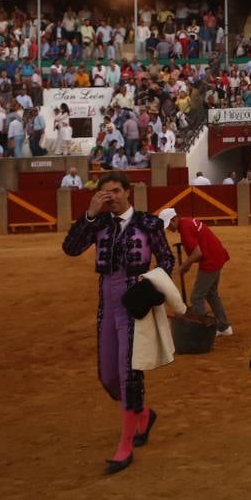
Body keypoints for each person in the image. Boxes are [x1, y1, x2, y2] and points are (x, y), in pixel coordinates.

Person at [61, 171, 176, 473]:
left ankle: (125, 446)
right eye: (104, 192)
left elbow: (166, 260)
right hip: (107, 301)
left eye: (114, 191)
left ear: (128, 192)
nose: (110, 196)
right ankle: (143, 414)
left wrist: (149, 287)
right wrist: (88, 213)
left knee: (127, 373)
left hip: (134, 301)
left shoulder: (149, 223)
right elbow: (70, 248)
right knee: (109, 376)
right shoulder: (98, 222)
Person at [159, 207, 232, 336]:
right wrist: (187, 267)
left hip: (210, 261)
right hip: (217, 255)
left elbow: (197, 253)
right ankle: (224, 327)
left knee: (197, 297)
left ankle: (202, 331)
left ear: (173, 220)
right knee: (211, 293)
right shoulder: (187, 222)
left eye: (168, 225)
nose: (168, 229)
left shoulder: (185, 229)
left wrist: (182, 267)